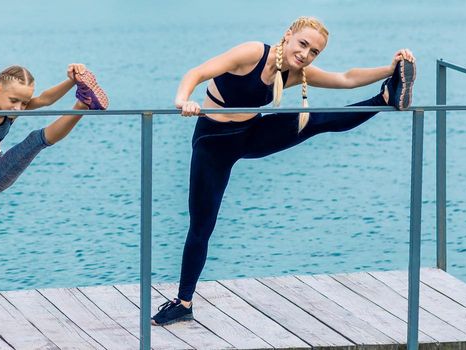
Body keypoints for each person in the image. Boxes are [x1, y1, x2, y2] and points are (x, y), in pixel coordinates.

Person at [151, 16, 416, 326]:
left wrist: (390, 69)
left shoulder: (295, 73)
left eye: (314, 51)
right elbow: (197, 73)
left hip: (250, 134)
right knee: (202, 226)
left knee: (315, 121)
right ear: (288, 36)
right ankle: (184, 303)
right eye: (303, 44)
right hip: (212, 143)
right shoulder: (252, 53)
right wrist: (184, 101)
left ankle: (385, 96)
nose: (305, 54)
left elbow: (344, 78)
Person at [0, 63, 108, 344]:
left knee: (35, 140)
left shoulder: (17, 109)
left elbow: (47, 99)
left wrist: (72, 82)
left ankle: (83, 102)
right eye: (13, 100)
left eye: (23, 102)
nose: (18, 108)